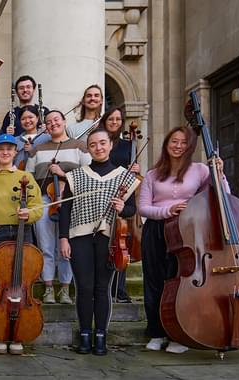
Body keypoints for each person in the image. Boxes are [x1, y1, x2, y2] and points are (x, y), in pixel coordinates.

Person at [138, 126, 226, 355]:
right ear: (166, 144)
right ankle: (156, 332)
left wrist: (219, 174)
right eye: (174, 141)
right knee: (154, 281)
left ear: (190, 147)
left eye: (183, 142)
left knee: (180, 282)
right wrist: (167, 210)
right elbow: (143, 208)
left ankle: (179, 334)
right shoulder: (153, 174)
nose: (178, 146)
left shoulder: (200, 170)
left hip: (186, 230)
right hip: (156, 230)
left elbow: (222, 196)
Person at [56, 128, 139, 356]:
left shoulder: (124, 176)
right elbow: (66, 209)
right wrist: (63, 238)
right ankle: (85, 334)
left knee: (102, 288)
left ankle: (101, 335)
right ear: (88, 149)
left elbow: (132, 209)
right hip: (79, 237)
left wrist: (123, 208)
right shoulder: (76, 175)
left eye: (102, 143)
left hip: (109, 239)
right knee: (84, 288)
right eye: (93, 144)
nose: (98, 148)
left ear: (111, 145)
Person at [0, 134, 43, 354]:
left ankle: (19, 332)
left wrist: (29, 213)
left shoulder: (26, 177)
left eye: (9, 149)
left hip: (22, 231)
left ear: (15, 152)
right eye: (1, 149)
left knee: (22, 280)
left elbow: (37, 206)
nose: (5, 152)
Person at [29, 110, 91, 305]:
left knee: (66, 247)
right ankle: (48, 288)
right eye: (48, 122)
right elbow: (28, 177)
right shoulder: (37, 150)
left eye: (56, 119)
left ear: (64, 121)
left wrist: (64, 174)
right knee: (46, 245)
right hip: (44, 200)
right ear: (45, 127)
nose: (53, 123)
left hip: (71, 200)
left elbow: (89, 174)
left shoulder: (79, 146)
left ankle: (64, 288)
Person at [101, 106, 140, 303]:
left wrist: (135, 168)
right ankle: (104, 287)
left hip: (123, 189)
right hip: (103, 189)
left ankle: (119, 288)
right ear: (105, 121)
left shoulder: (128, 145)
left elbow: (133, 167)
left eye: (118, 119)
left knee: (120, 241)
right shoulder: (100, 142)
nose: (114, 122)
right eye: (111, 119)